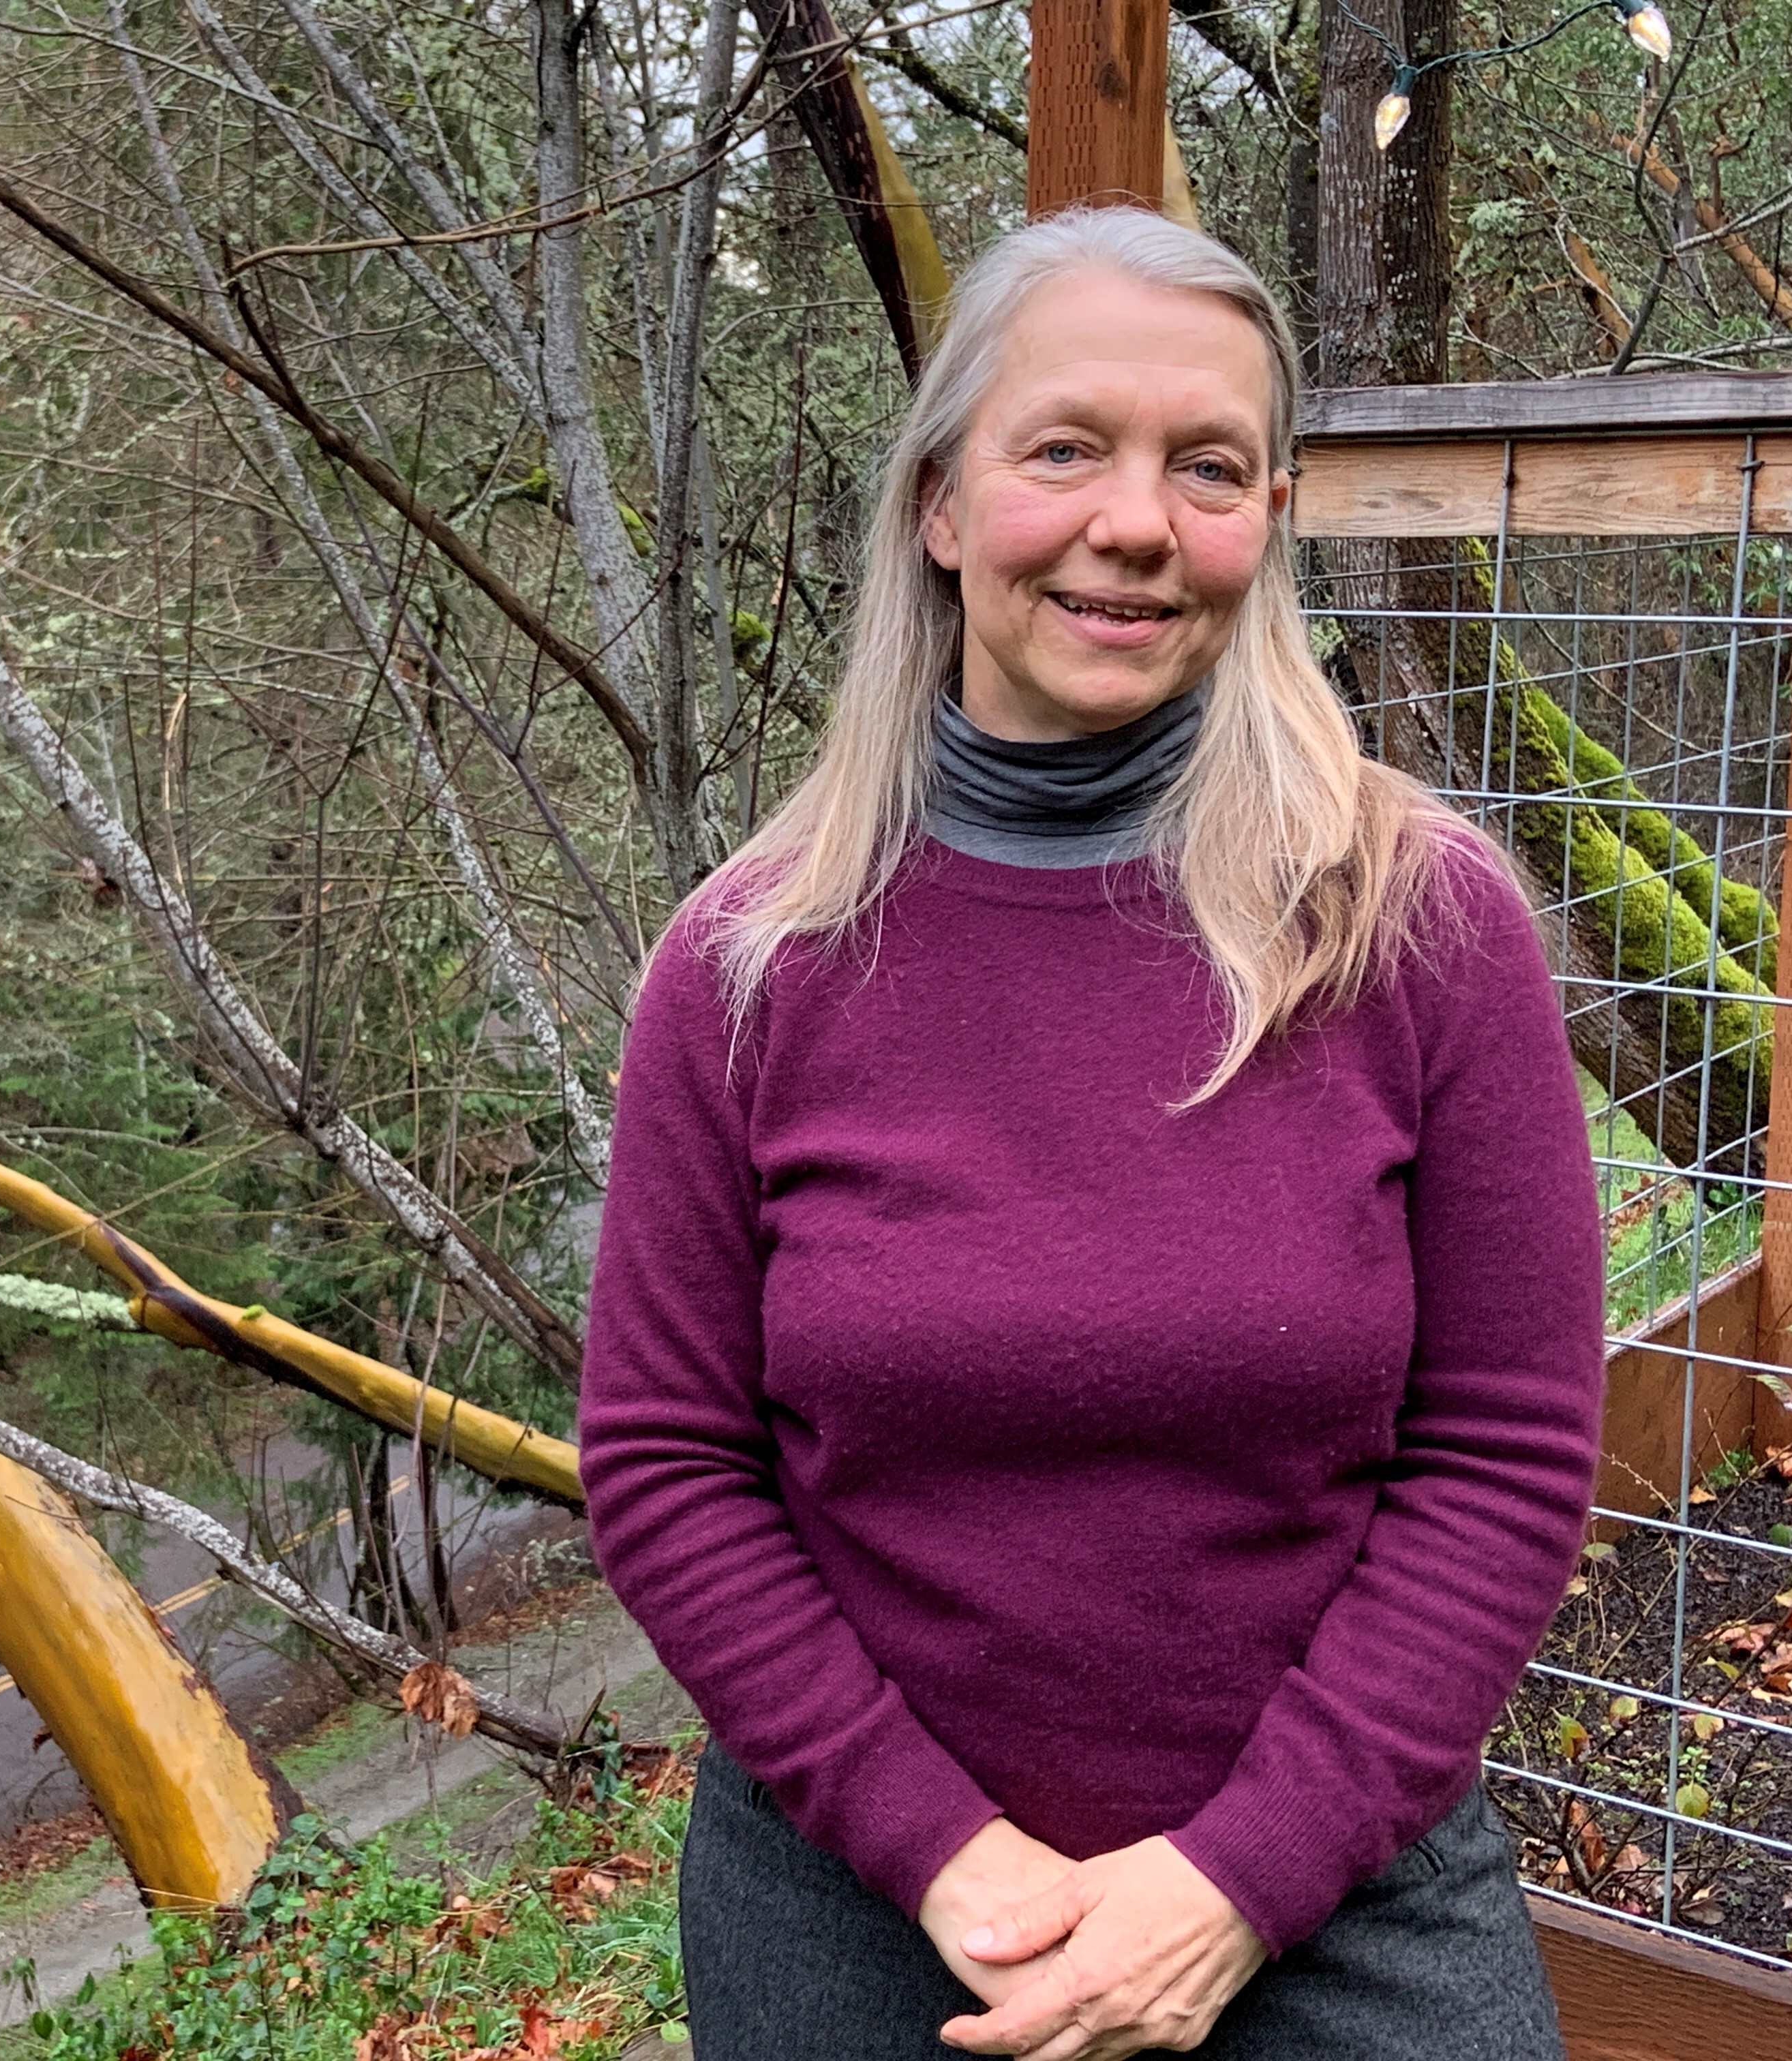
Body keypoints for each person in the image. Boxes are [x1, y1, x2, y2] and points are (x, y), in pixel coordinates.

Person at [576, 207, 1604, 2060]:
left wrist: (1235, 1883)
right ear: (943, 505)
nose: (1137, 523)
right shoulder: (750, 964)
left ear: (1268, 520)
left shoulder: (1419, 927)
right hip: (863, 1915)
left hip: (1337, 1899)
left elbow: (1505, 1455)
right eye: (1066, 449)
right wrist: (950, 1860)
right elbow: (667, 1464)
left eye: (1206, 468)